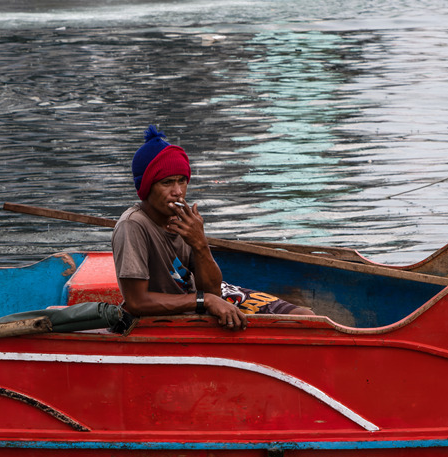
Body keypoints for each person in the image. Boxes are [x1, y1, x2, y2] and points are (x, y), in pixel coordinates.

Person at [111, 125, 314, 330]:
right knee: (293, 326)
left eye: (182, 181)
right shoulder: (133, 225)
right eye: (167, 183)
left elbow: (213, 289)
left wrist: (200, 243)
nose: (178, 192)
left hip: (205, 296)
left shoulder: (183, 219)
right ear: (147, 187)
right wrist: (205, 300)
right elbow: (136, 302)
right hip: (179, 309)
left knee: (305, 316)